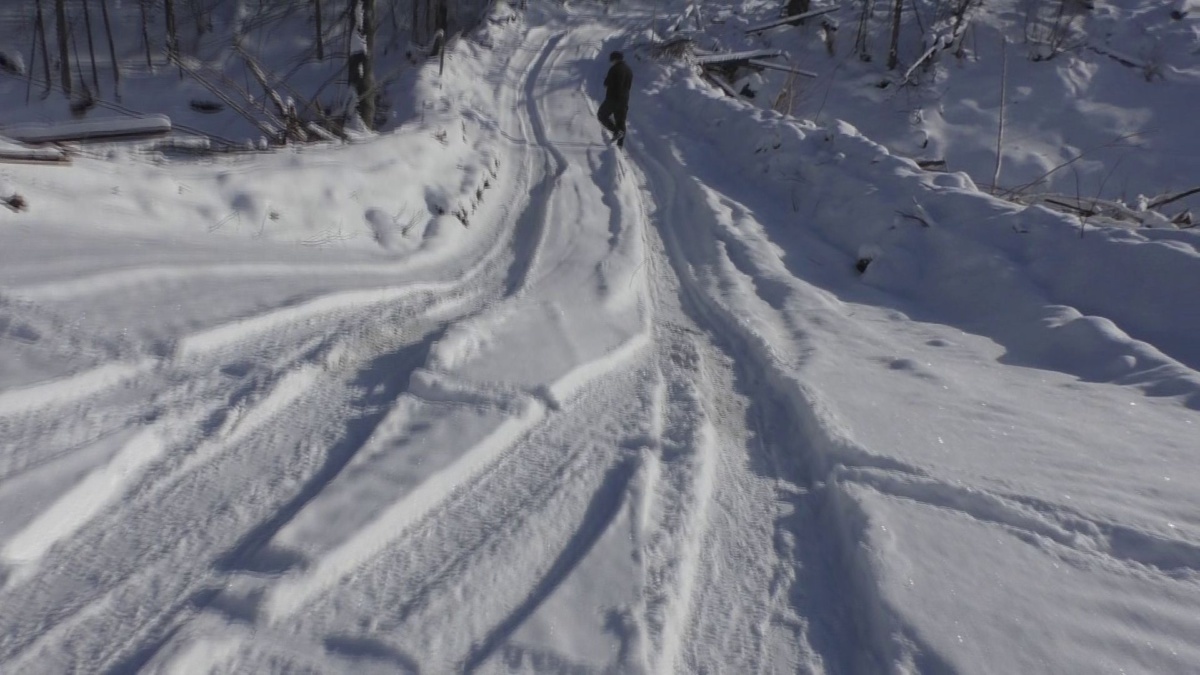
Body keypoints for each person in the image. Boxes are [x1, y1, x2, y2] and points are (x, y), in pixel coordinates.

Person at [598, 51, 633, 147]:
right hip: (624, 99)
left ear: (614, 59)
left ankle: (616, 131)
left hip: (613, 98)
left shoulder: (614, 69)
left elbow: (607, 83)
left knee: (601, 115)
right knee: (621, 122)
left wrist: (607, 80)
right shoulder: (629, 70)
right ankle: (619, 146)